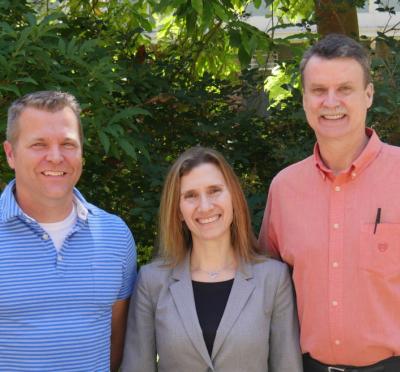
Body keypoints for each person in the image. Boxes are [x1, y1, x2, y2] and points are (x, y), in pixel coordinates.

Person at [259, 33, 400, 371]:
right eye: (319, 90)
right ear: (305, 100)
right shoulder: (284, 189)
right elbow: (265, 288)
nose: (330, 102)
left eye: (345, 89)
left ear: (368, 95)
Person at [121, 146, 302, 372]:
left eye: (214, 190)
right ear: (178, 211)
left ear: (233, 197)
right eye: (190, 196)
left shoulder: (273, 279)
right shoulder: (151, 282)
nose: (205, 206)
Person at [0, 91, 137, 371]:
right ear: (11, 154)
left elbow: (116, 342)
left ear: (81, 153)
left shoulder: (115, 235)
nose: (55, 157)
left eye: (67, 144)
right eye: (38, 144)